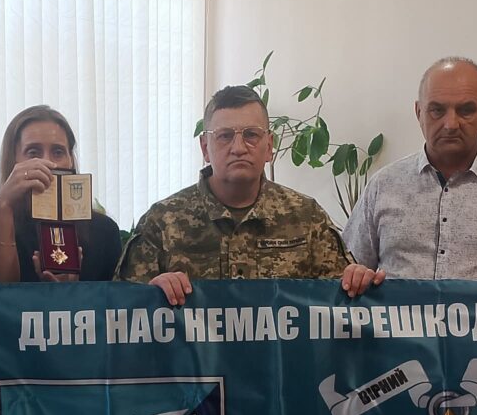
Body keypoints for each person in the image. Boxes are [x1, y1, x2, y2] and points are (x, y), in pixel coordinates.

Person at [114, 84, 381, 300]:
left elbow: (340, 305)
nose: (239, 148)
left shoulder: (307, 217)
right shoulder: (162, 222)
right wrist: (149, 294)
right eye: (225, 136)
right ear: (205, 147)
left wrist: (358, 282)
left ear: (269, 146)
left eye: (251, 135)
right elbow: (121, 315)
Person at [342, 57, 477, 280]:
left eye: (465, 110)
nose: (451, 124)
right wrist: (356, 275)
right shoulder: (383, 185)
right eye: (437, 110)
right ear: (418, 112)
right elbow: (348, 267)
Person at [0, 105, 121, 283]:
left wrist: (71, 291)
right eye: (33, 152)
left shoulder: (104, 230)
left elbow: (116, 297)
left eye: (58, 152)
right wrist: (4, 205)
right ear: (14, 160)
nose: (47, 162)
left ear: (70, 160)